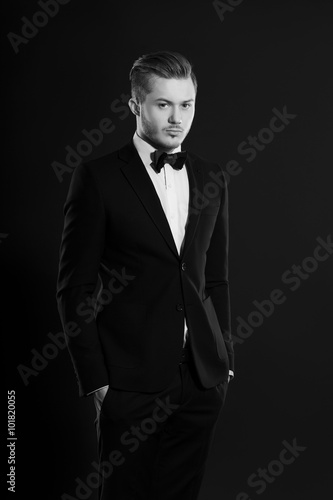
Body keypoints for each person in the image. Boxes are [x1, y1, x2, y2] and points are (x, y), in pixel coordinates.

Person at [57, 50, 234, 500]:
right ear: (135, 105)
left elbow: (215, 280)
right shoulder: (97, 177)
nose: (177, 118)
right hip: (129, 381)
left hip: (200, 380)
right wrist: (96, 379)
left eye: (186, 104)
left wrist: (223, 356)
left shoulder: (212, 177)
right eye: (163, 104)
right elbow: (74, 286)